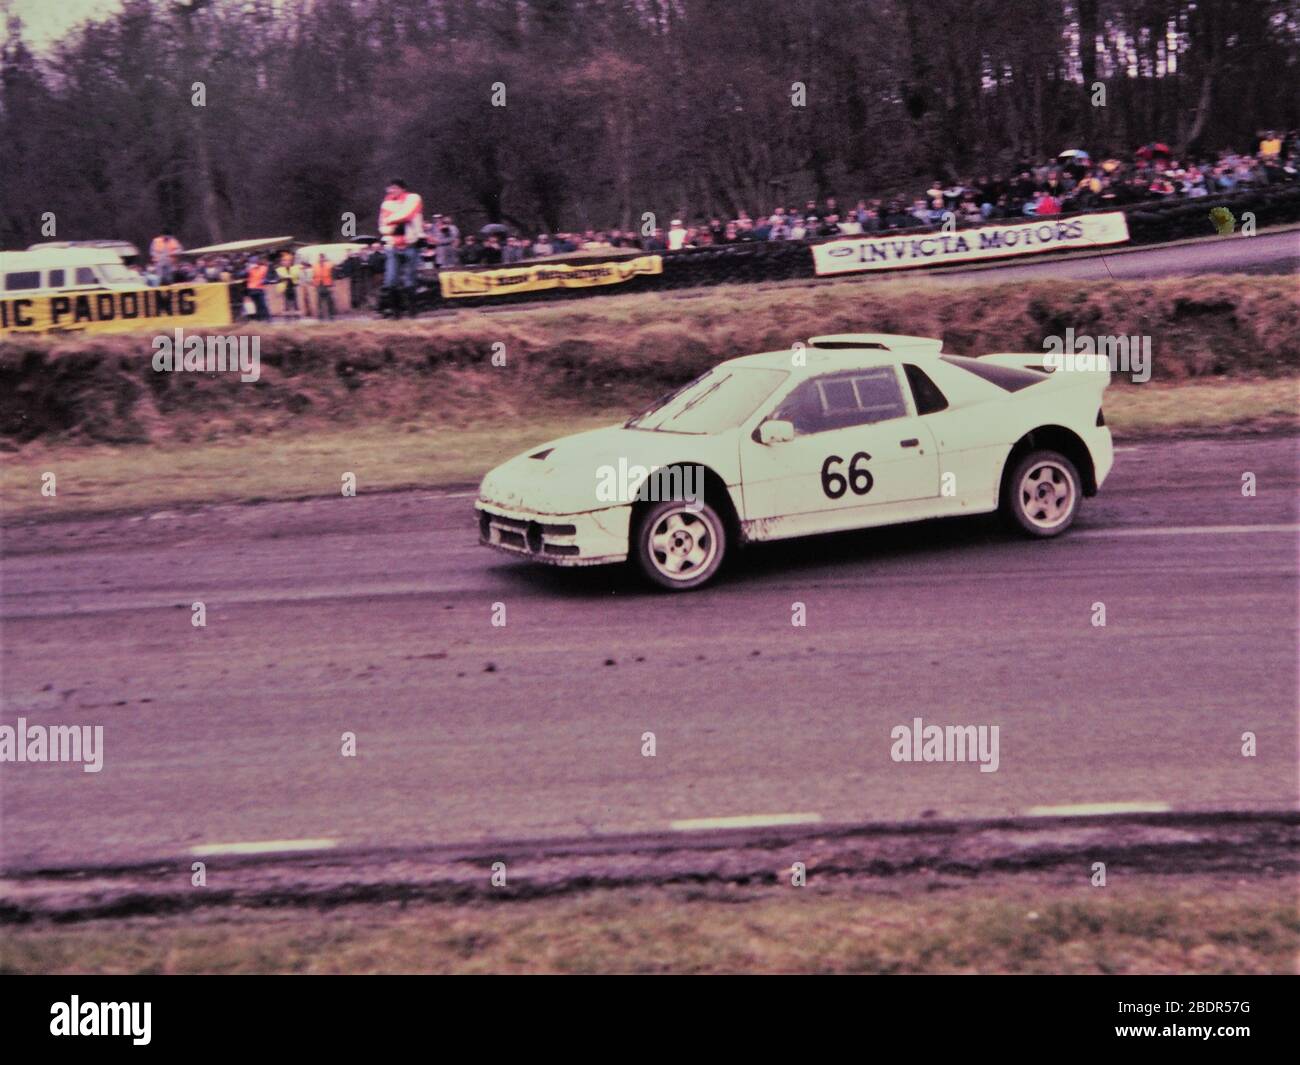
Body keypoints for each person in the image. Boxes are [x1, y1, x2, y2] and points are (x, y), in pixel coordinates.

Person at [377, 177, 424, 317]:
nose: (392, 191)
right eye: (390, 188)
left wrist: (391, 219)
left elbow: (407, 215)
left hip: (411, 244)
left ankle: (412, 313)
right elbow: (382, 227)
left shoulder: (414, 198)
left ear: (403, 188)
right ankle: (396, 313)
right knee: (391, 281)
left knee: (410, 279)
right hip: (393, 245)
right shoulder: (386, 203)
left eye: (395, 188)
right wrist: (394, 221)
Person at [245, 256, 270, 321]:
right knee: (256, 305)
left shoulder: (264, 268)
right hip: (252, 289)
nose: (254, 262)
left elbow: (268, 276)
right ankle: (260, 319)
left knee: (262, 304)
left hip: (259, 289)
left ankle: (266, 318)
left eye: (255, 261)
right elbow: (242, 274)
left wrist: (265, 280)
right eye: (252, 261)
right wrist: (247, 269)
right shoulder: (249, 269)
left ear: (258, 261)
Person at [313, 254, 336, 320]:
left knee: (329, 301)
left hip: (327, 284)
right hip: (319, 285)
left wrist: (332, 285)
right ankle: (320, 316)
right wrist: (315, 285)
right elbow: (314, 276)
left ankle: (331, 315)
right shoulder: (315, 266)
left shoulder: (329, 265)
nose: (321, 260)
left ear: (324, 259)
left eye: (322, 258)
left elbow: (333, 275)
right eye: (320, 258)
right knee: (319, 301)